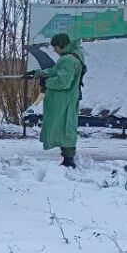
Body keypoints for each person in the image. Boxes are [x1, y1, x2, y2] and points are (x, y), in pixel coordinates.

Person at [30, 33, 85, 168]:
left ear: (61, 45)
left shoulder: (69, 60)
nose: (54, 50)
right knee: (63, 127)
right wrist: (39, 73)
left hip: (64, 99)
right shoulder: (70, 57)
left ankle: (69, 160)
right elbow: (56, 71)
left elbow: (62, 81)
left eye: (55, 47)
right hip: (65, 99)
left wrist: (46, 82)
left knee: (65, 127)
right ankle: (67, 158)